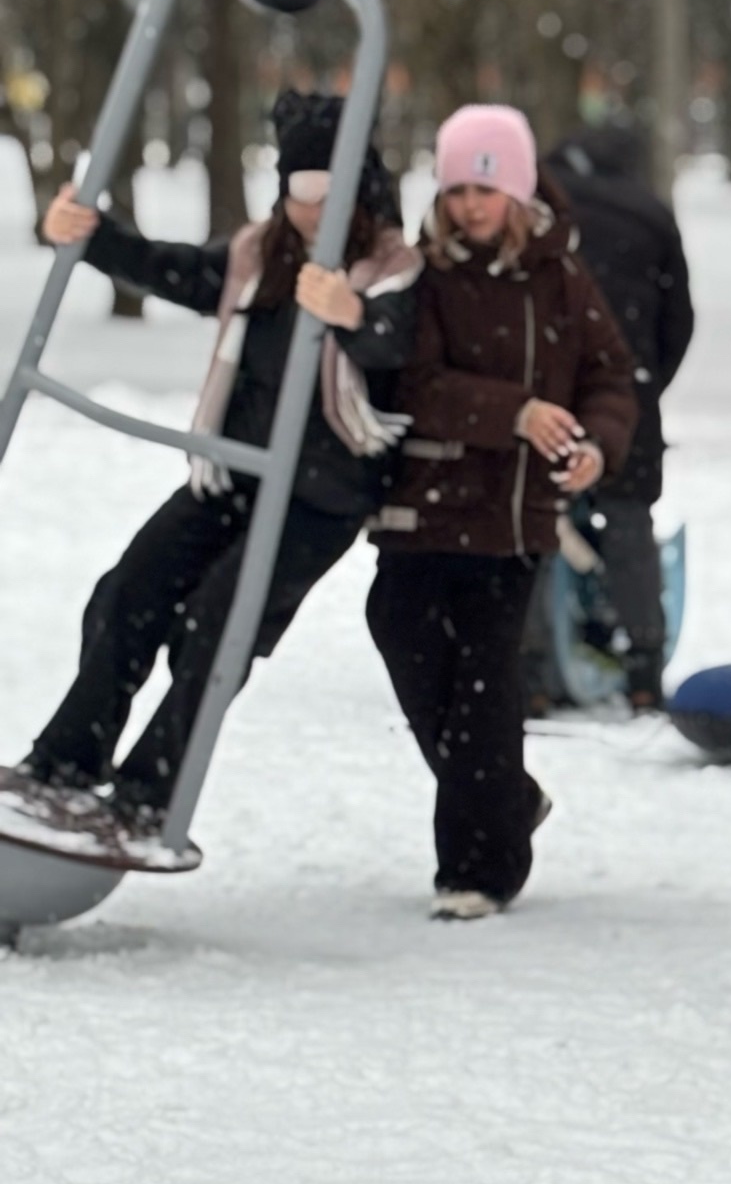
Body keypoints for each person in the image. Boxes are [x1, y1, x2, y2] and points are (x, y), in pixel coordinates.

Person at [18, 91, 417, 828]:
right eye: (301, 189)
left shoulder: (395, 272)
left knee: (216, 627)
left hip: (319, 498)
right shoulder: (257, 258)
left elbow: (398, 342)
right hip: (232, 475)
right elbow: (168, 269)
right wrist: (90, 234)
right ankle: (68, 759)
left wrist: (352, 316)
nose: (315, 209)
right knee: (126, 595)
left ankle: (150, 792)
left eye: (331, 189)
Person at [366, 105, 636, 920]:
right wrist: (513, 411)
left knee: (484, 684)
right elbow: (412, 385)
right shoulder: (423, 274)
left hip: (510, 519)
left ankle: (480, 868)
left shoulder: (562, 278)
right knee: (404, 636)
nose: (469, 207)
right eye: (456, 191)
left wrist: (598, 447)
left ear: (517, 192)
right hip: (421, 507)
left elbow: (610, 378)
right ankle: (507, 798)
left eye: (483, 190)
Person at [536, 124, 694, 711]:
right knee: (628, 522)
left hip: (542, 390)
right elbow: (679, 320)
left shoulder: (537, 207)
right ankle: (644, 665)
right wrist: (643, 385)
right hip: (629, 391)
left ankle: (531, 672)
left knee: (534, 521)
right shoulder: (649, 213)